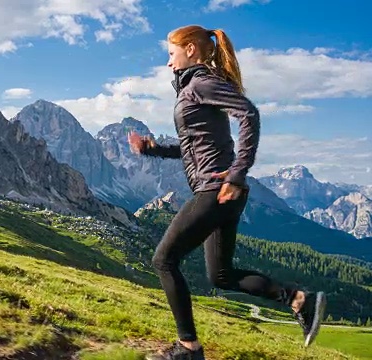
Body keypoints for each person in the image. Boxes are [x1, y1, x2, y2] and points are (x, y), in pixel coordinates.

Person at [127, 25, 326, 360]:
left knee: (164, 260)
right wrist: (154, 149)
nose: (167, 62)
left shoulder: (202, 83)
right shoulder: (195, 86)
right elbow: (195, 146)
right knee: (220, 275)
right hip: (223, 192)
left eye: (171, 53)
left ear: (190, 49)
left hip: (217, 189)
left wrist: (236, 173)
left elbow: (249, 115)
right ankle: (298, 300)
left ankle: (188, 347)